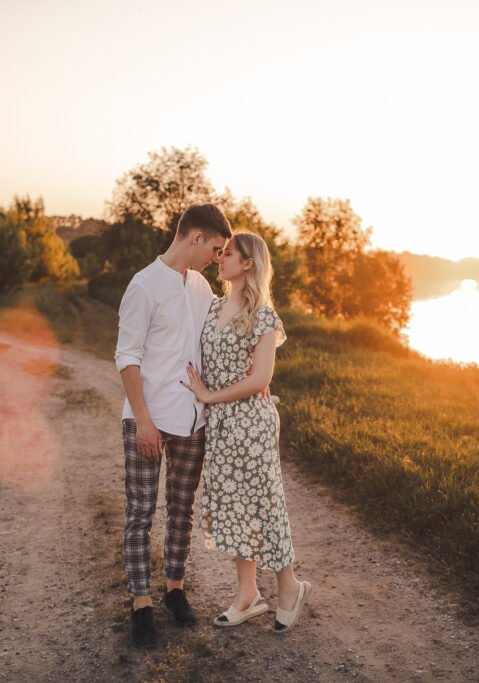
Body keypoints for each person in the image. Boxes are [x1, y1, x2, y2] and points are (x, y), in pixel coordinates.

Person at [182, 232, 312, 632]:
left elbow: (260, 379)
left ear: (248, 263)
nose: (220, 258)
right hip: (221, 425)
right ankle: (248, 594)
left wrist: (209, 394)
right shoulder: (212, 307)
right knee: (233, 506)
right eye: (220, 253)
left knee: (264, 505)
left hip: (251, 424)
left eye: (228, 254)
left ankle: (289, 586)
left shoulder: (264, 316)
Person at [114, 203, 231, 647]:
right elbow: (127, 357)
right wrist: (143, 421)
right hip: (148, 418)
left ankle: (174, 591)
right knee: (140, 513)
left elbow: (223, 331)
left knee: (182, 510)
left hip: (191, 419)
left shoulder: (200, 287)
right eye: (215, 249)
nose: (216, 259)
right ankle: (141, 605)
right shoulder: (143, 286)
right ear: (195, 237)